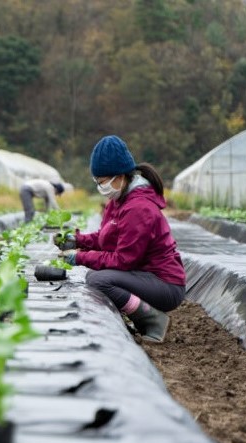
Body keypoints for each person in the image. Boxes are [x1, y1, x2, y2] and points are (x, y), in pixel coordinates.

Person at [57, 135, 186, 343]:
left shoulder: (139, 208)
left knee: (99, 280)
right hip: (145, 277)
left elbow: (124, 260)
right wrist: (76, 240)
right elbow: (105, 239)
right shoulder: (118, 201)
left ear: (119, 177)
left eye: (103, 182)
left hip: (165, 284)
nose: (101, 188)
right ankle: (138, 317)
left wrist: (79, 258)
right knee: (97, 277)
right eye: (97, 182)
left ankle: (154, 320)